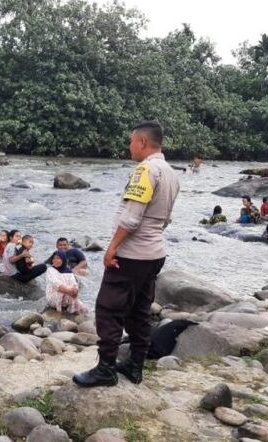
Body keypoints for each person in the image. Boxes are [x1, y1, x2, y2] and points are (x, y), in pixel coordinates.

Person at [74, 120, 179, 388]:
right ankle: (135, 365)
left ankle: (106, 368)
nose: (129, 146)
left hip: (132, 255)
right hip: (155, 252)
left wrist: (111, 249)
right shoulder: (170, 171)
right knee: (139, 311)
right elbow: (165, 219)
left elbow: (131, 219)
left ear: (142, 142)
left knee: (109, 310)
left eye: (132, 141)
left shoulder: (145, 170)